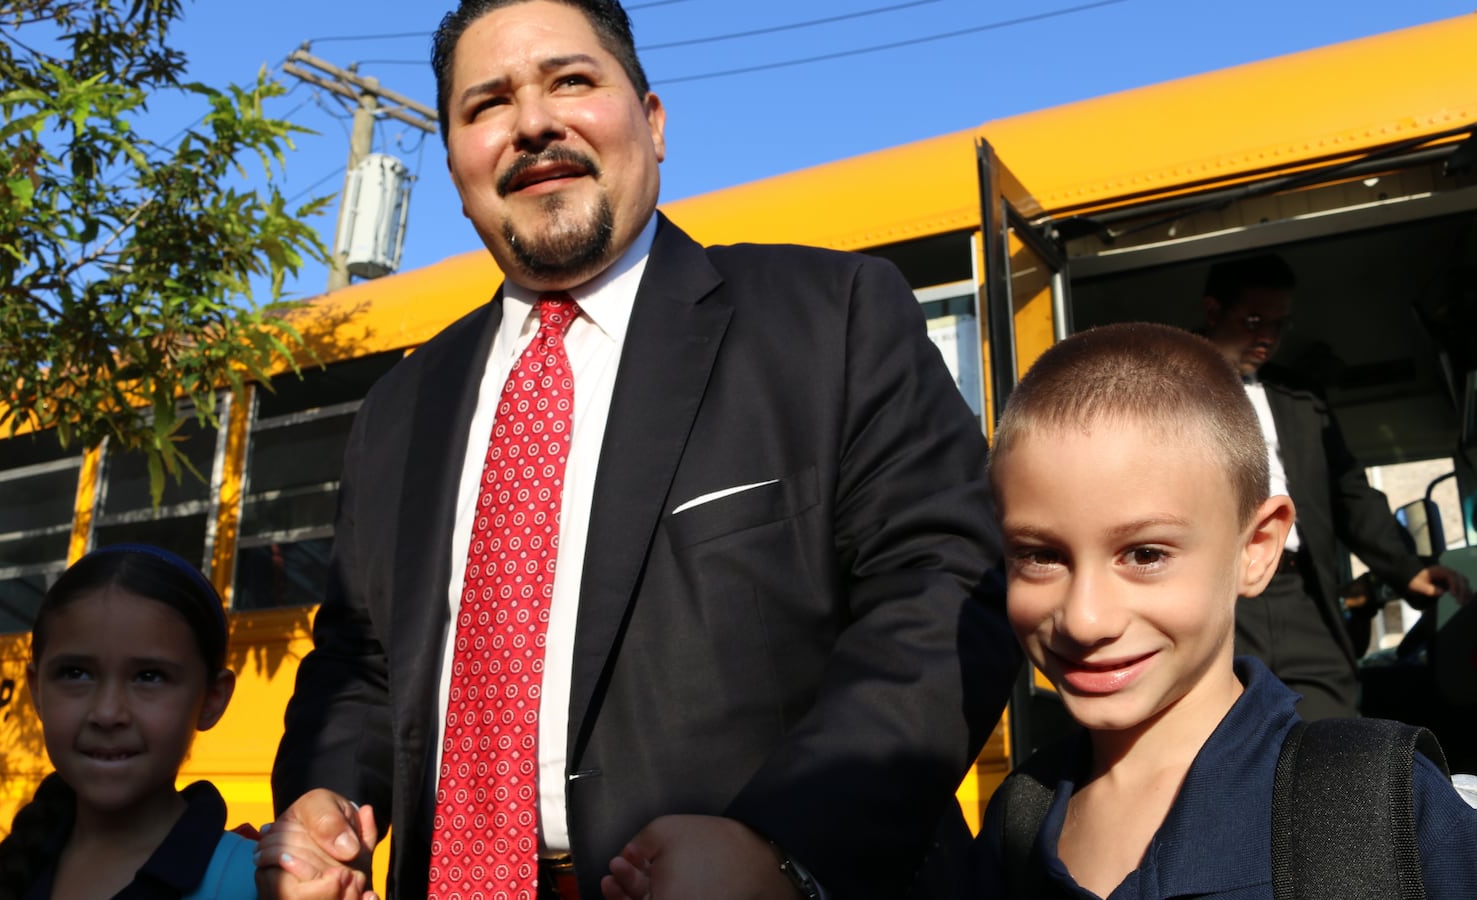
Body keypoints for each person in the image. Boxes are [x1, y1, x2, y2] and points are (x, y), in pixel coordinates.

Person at [257, 0, 1014, 898]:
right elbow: (361, 663)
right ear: (458, 166)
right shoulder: (399, 409)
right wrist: (323, 795)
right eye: (486, 103)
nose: (533, 121)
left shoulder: (831, 319)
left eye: (570, 81)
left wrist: (783, 849)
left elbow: (944, 591)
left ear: (652, 124)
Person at [967, 322, 1477, 898]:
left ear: (1257, 551)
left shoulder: (1380, 809)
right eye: (1039, 555)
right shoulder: (1018, 818)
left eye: (1145, 553)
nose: (1085, 619)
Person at [1201, 253, 1471, 720]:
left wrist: (1406, 569)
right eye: (1253, 319)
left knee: (1334, 734)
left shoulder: (1300, 396)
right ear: (1212, 311)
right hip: (1214, 595)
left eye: (1279, 324)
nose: (1267, 336)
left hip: (1304, 593)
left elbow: (1350, 492)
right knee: (1223, 737)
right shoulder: (1165, 387)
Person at [0, 544, 258, 900]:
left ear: (212, 699)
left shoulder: (257, 883)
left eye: (149, 677)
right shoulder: (21, 867)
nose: (107, 714)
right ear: (37, 690)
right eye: (75, 673)